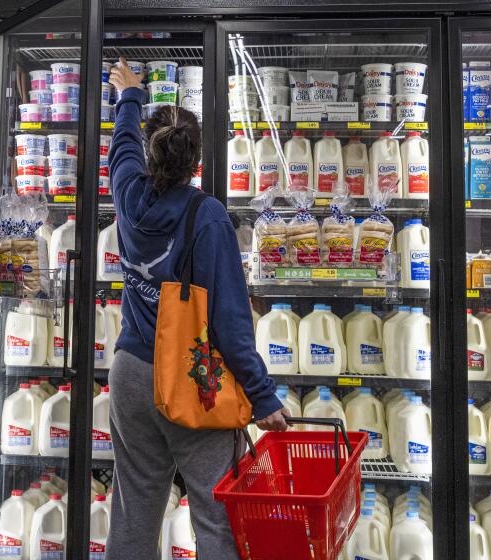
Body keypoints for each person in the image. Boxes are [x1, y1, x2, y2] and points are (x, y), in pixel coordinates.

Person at [105, 58, 287, 559]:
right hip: (189, 377)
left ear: (150, 154)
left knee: (135, 504)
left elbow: (120, 146)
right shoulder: (206, 216)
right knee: (214, 509)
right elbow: (229, 322)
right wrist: (263, 397)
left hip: (129, 373)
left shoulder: (127, 192)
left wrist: (130, 93)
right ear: (198, 160)